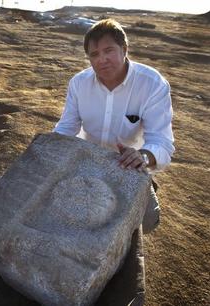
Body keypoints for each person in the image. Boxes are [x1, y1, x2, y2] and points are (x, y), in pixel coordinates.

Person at [53, 19, 175, 234]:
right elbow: (67, 127)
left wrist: (143, 157)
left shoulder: (152, 84)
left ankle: (148, 185)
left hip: (129, 165)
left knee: (146, 222)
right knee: (63, 208)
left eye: (109, 50)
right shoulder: (79, 83)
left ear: (125, 49)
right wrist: (50, 144)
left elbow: (162, 143)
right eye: (94, 54)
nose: (102, 60)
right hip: (86, 159)